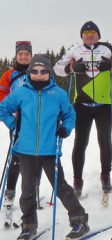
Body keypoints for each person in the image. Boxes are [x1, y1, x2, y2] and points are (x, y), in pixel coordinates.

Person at [0, 54, 89, 240]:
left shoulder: (58, 94)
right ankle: (29, 225)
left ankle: (80, 220)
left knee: (61, 188)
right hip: (25, 150)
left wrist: (65, 128)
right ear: (29, 72)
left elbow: (70, 115)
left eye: (43, 71)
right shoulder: (21, 92)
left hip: (49, 150)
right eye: (34, 71)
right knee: (27, 191)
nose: (38, 74)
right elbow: (3, 109)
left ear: (49, 72)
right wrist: (13, 124)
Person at [54, 21, 112, 197]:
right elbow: (57, 69)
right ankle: (77, 180)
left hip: (103, 104)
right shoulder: (75, 50)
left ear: (99, 35)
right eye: (86, 33)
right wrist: (71, 67)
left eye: (93, 33)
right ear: (82, 36)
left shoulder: (107, 49)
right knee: (80, 143)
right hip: (81, 104)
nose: (89, 35)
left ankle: (105, 176)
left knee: (105, 142)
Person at [0, 41, 42, 212]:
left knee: (37, 156)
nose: (23, 57)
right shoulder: (9, 75)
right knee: (16, 157)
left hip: (37, 122)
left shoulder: (38, 72)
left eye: (27, 54)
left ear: (31, 56)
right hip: (17, 123)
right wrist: (12, 111)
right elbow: (2, 95)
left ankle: (34, 189)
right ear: (16, 56)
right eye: (20, 54)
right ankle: (10, 192)